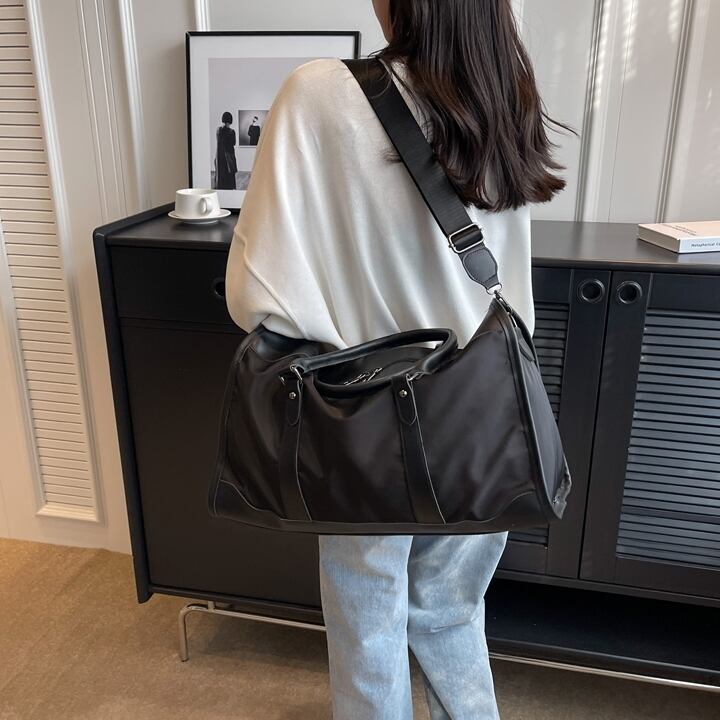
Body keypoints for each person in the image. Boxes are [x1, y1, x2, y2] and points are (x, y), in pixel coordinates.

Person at [224, 1, 572, 717]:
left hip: (365, 423)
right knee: (450, 614)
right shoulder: (502, 95)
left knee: (369, 624)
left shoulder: (319, 91)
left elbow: (258, 293)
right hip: (487, 414)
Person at [215, 111, 237, 189]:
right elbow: (234, 143)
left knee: (221, 173)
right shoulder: (232, 132)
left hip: (220, 156)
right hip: (229, 155)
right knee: (230, 173)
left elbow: (219, 142)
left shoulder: (218, 130)